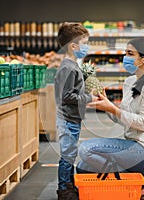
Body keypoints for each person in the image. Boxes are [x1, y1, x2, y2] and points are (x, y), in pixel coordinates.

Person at [76, 38, 144, 200]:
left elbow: (143, 123)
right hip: (132, 145)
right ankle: (136, 178)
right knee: (83, 168)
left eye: (130, 53)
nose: (125, 57)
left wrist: (113, 109)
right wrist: (106, 105)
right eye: (125, 53)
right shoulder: (130, 81)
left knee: (86, 149)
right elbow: (123, 118)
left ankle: (141, 177)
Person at [55, 22, 98, 200]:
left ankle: (70, 185)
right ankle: (64, 190)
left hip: (72, 118)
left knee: (70, 153)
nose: (87, 47)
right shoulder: (68, 67)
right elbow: (67, 97)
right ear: (73, 46)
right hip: (68, 119)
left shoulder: (72, 66)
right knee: (67, 155)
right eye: (85, 43)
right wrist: (89, 99)